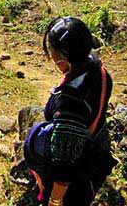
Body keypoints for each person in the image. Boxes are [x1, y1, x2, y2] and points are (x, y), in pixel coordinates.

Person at [22, 16, 116, 206]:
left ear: (64, 60)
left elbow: (65, 166)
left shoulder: (70, 104)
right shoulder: (97, 68)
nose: (51, 55)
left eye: (52, 52)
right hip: (96, 146)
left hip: (77, 173)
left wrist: (55, 200)